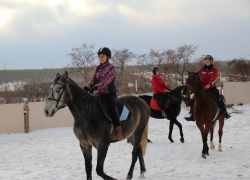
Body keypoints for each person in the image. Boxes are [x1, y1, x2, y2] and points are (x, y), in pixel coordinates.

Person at [84, 47, 122, 139]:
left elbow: (107, 81)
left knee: (112, 110)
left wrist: (95, 87)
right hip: (99, 93)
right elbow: (93, 80)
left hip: (110, 93)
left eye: (103, 56)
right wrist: (87, 86)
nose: (101, 58)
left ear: (108, 57)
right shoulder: (97, 68)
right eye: (99, 56)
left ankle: (119, 131)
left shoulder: (111, 68)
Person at [185, 55, 231, 121]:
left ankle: (224, 113)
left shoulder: (214, 70)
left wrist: (209, 84)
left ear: (211, 61)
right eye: (206, 61)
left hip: (211, 88)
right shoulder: (201, 69)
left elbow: (214, 78)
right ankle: (192, 115)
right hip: (202, 89)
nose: (207, 62)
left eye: (208, 60)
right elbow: (198, 78)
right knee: (192, 100)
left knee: (219, 98)